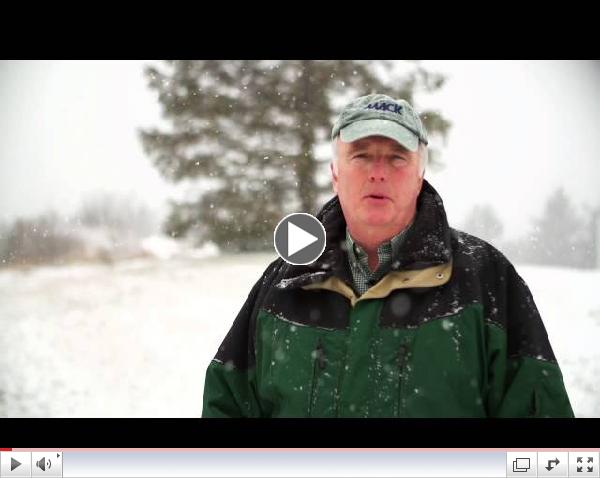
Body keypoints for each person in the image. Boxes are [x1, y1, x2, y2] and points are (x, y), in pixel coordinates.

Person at [202, 93, 574, 417]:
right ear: (335, 172)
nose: (378, 172)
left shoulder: (486, 278)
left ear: (419, 175)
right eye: (361, 156)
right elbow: (229, 407)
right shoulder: (284, 281)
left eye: (397, 158)